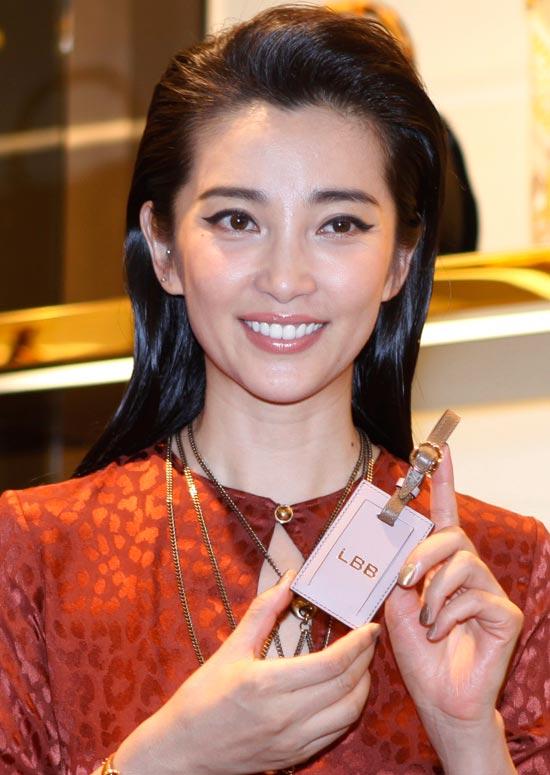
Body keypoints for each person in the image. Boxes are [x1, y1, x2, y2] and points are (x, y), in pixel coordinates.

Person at [0, 6, 547, 774]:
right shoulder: (33, 553)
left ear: (399, 260)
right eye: (235, 219)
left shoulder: (501, 573)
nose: (286, 279)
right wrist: (167, 760)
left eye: (341, 225)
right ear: (163, 248)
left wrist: (467, 737)